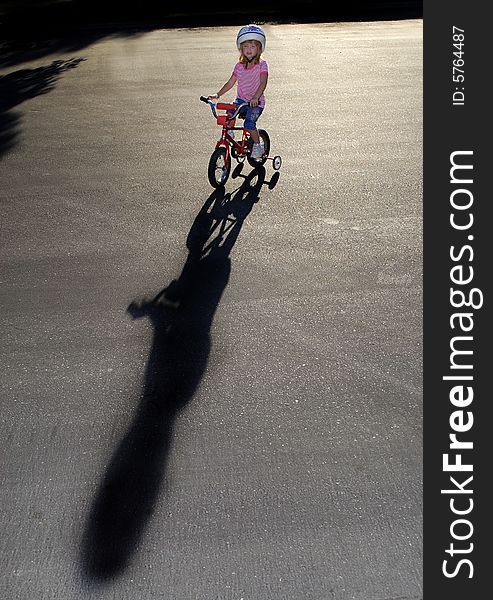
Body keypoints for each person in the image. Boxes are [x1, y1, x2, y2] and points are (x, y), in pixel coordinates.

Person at [209, 24, 269, 159]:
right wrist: (217, 95)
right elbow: (231, 82)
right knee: (230, 113)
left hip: (256, 103)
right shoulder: (239, 66)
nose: (249, 49)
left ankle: (258, 146)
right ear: (241, 48)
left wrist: (255, 97)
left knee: (249, 123)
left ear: (259, 49)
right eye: (246, 46)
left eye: (253, 46)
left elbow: (263, 82)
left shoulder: (262, 65)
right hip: (241, 101)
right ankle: (230, 133)